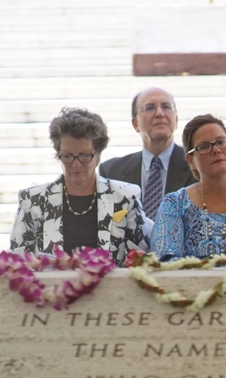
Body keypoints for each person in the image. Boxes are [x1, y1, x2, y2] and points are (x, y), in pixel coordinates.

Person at [10, 107, 148, 266]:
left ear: (98, 155)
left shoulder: (125, 196)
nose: (75, 164)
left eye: (84, 156)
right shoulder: (32, 201)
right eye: (67, 156)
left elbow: (141, 259)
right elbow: (17, 262)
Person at [151, 114, 226, 259]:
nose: (216, 150)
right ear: (190, 160)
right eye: (204, 146)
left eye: (221, 142)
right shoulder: (175, 204)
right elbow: (165, 261)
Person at [98, 86, 196, 219]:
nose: (160, 113)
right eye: (150, 108)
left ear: (176, 120)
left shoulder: (197, 166)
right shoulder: (111, 172)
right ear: (135, 123)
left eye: (167, 107)